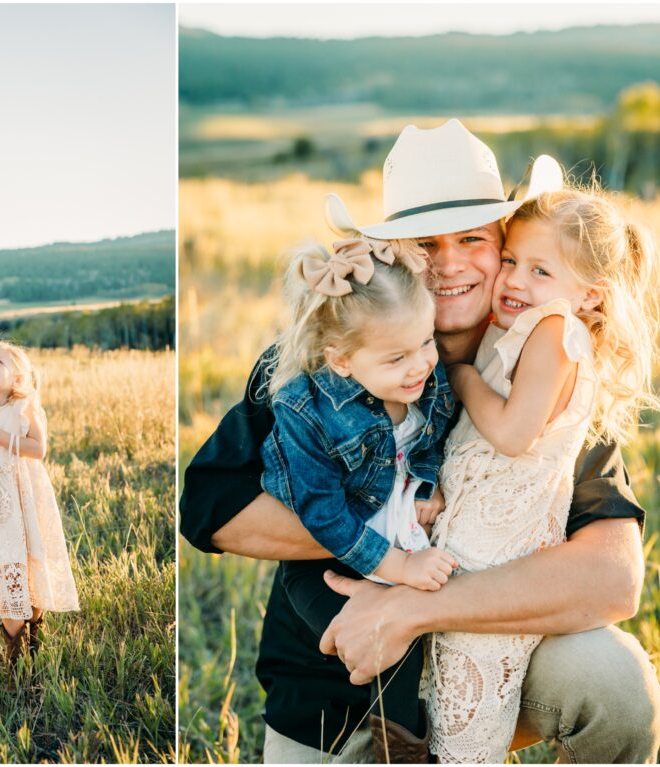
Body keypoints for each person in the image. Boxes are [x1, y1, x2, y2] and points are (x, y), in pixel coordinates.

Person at [180, 120, 660, 763]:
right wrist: (393, 525)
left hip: (493, 656)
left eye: (474, 239)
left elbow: (614, 579)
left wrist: (416, 606)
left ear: (506, 249)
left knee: (618, 685)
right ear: (393, 253)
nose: (452, 262)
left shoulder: (547, 368)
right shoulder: (329, 359)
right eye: (425, 243)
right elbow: (213, 508)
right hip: (338, 679)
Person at [423, 185, 660, 762]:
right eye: (511, 261)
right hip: (474, 544)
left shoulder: (555, 332)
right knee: (451, 690)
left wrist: (459, 376)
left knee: (467, 707)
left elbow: (511, 434)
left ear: (588, 295)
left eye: (539, 270)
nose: (514, 281)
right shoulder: (533, 330)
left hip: (495, 552)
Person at [260, 228, 457, 760]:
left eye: (426, 343)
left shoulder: (426, 380)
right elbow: (323, 517)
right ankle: (360, 741)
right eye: (396, 358)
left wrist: (427, 481)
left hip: (392, 534)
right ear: (341, 360)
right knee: (366, 644)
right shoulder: (305, 412)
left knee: (404, 644)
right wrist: (398, 570)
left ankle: (402, 749)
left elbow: (432, 432)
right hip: (326, 560)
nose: (419, 365)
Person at [0, 340, 80, 660]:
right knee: (9, 581)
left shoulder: (24, 406)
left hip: (24, 502)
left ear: (18, 378)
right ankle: (16, 665)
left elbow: (38, 449)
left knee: (29, 576)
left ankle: (31, 647)